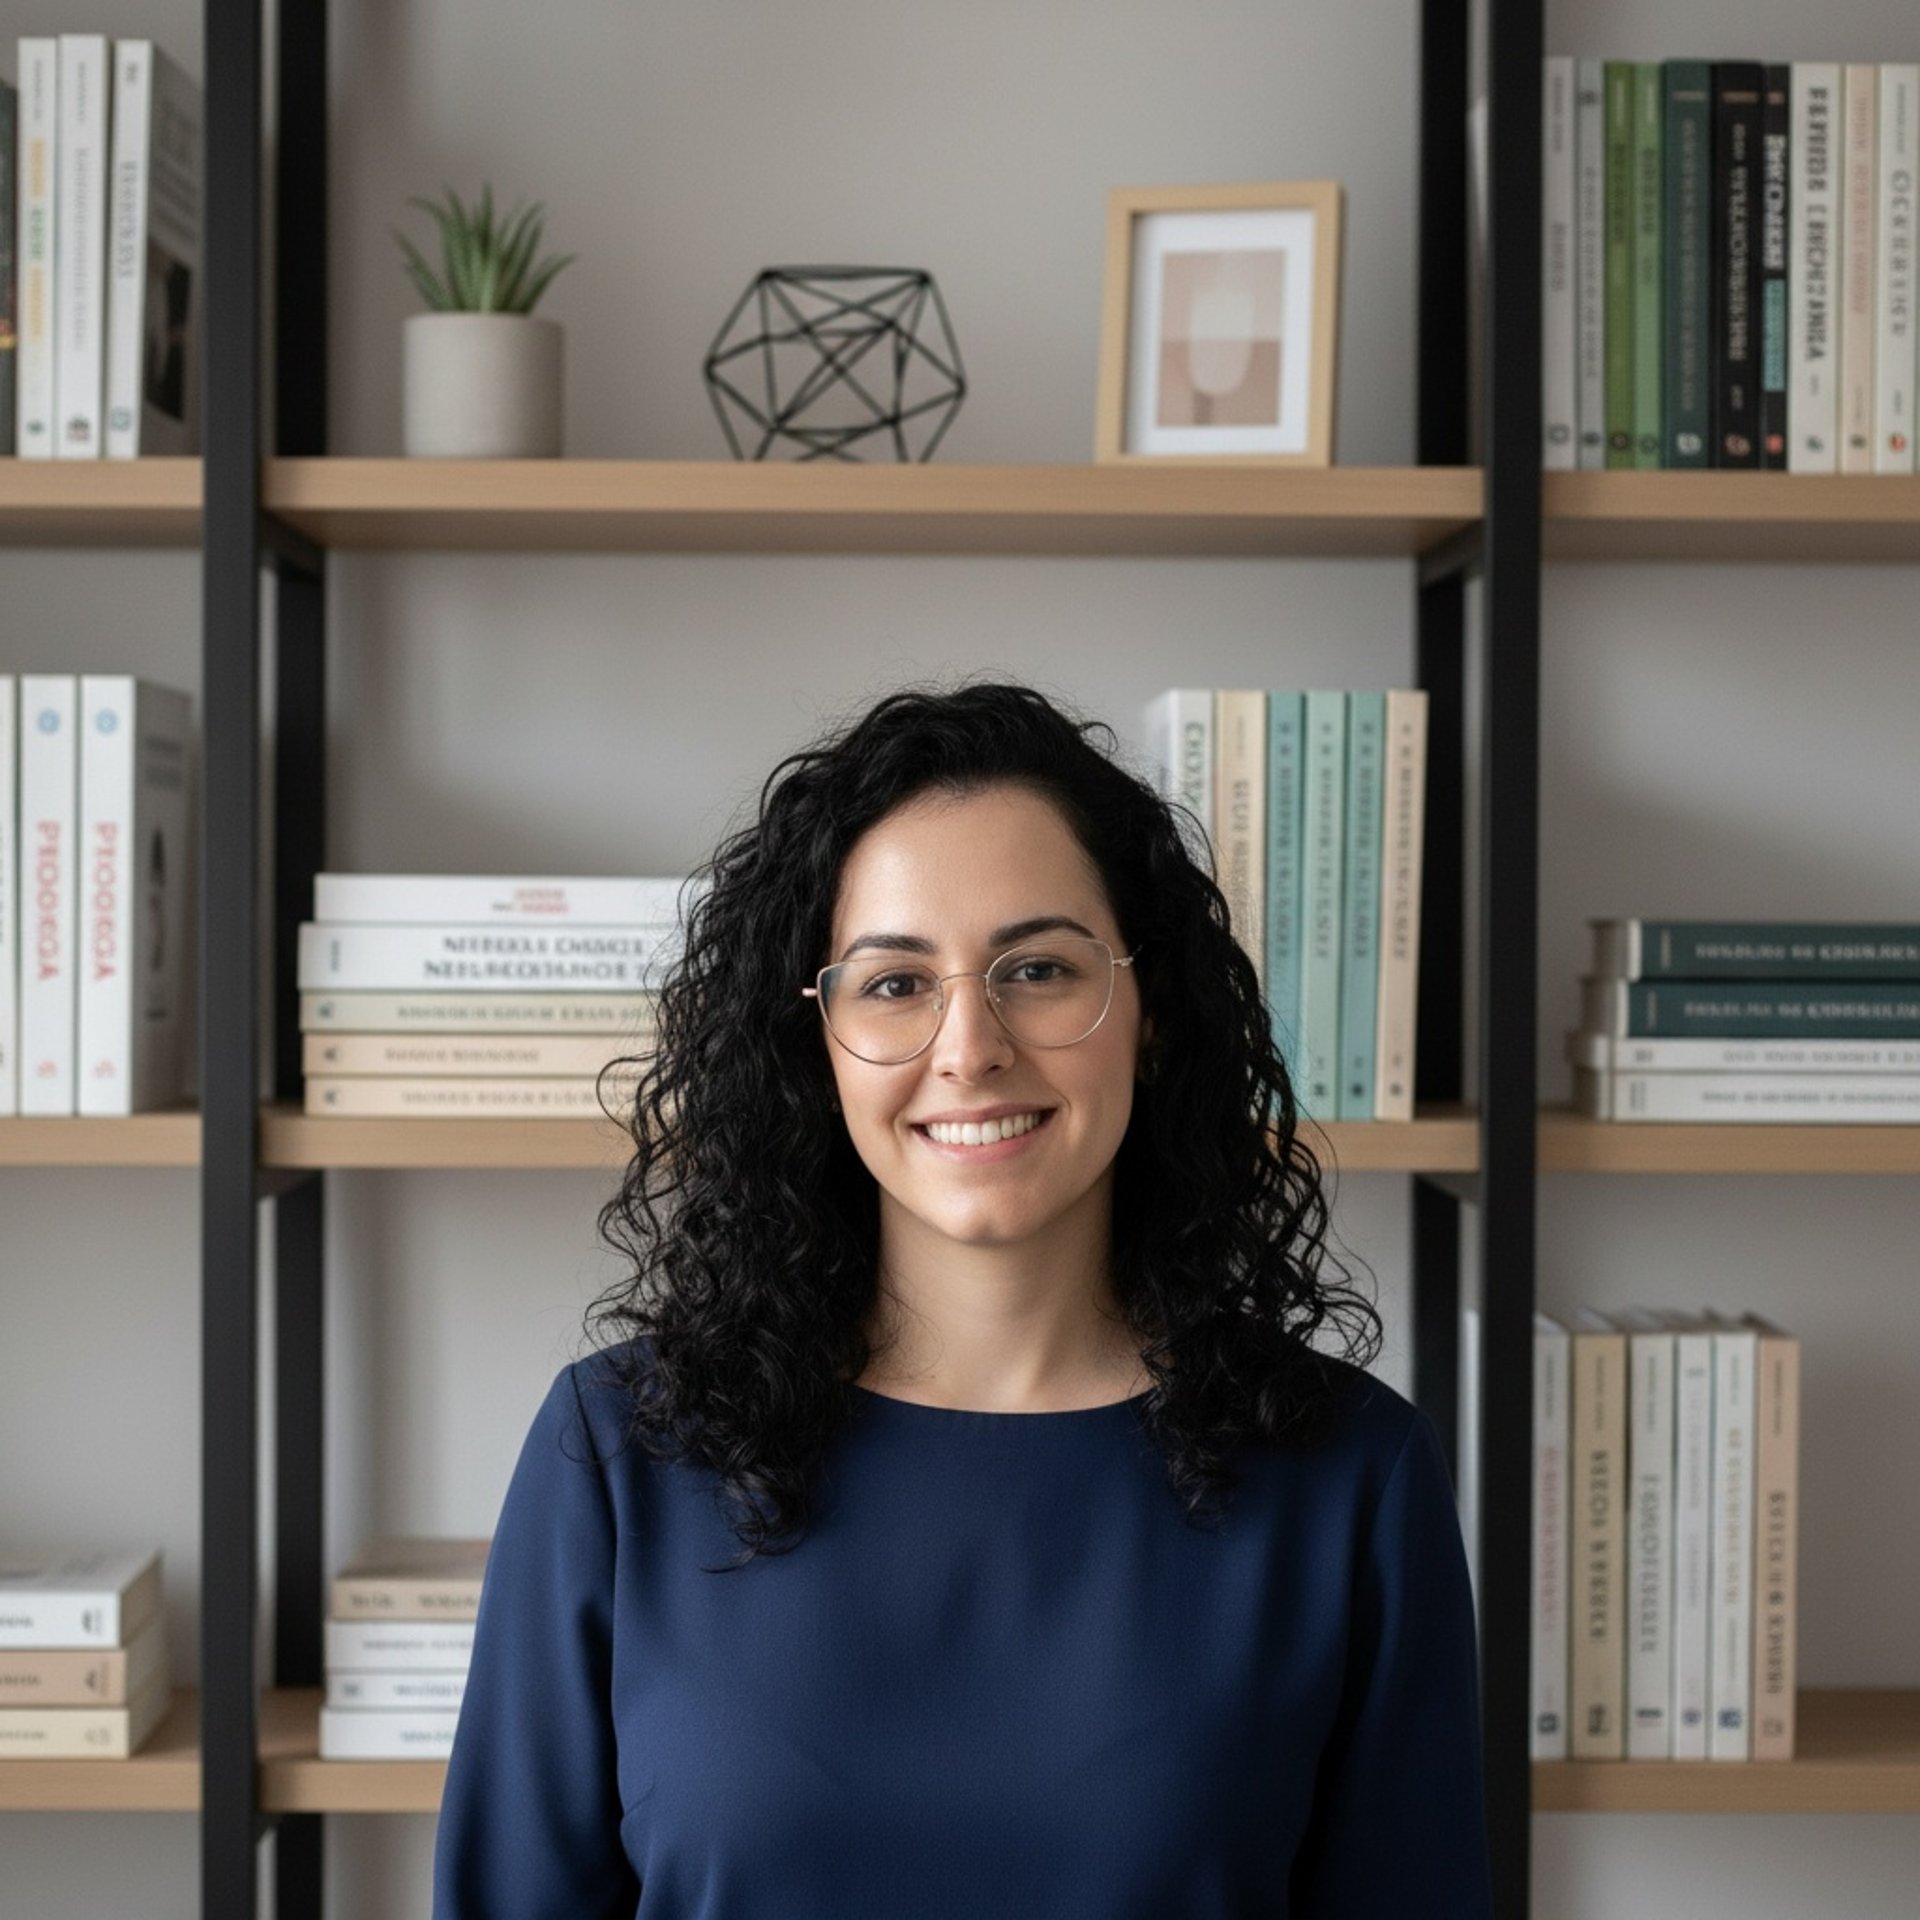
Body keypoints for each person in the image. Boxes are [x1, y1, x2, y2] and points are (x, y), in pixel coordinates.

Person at [431, 680, 1493, 1918]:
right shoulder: (619, 1457)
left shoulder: (1351, 1478)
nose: (969, 1045)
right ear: (814, 1042)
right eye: (895, 984)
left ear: (1148, 1014)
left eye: (1037, 968)